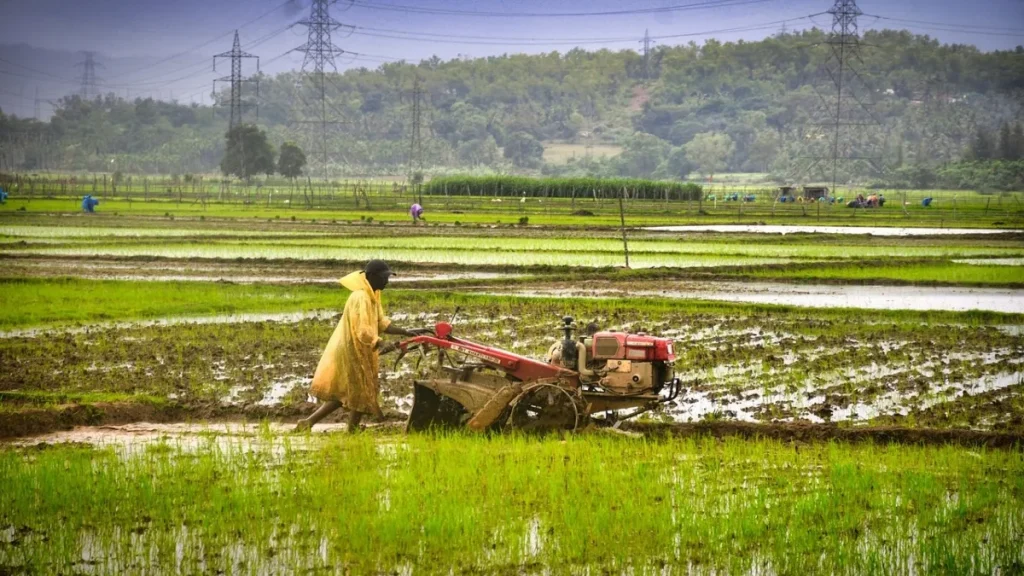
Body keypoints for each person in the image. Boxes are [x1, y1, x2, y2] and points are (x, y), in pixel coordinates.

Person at [296, 260, 432, 432]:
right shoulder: (361, 297)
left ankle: (309, 423)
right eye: (384, 277)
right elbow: (363, 329)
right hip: (351, 348)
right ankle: (349, 429)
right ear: (372, 276)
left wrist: (407, 332)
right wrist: (380, 342)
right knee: (360, 389)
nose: (387, 281)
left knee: (351, 391)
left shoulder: (372, 295)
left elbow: (381, 323)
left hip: (359, 347)